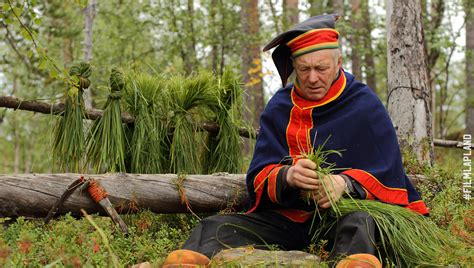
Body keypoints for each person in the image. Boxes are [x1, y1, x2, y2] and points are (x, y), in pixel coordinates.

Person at [162, 14, 429, 268]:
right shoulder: (279, 107)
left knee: (362, 223)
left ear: (338, 63)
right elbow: (258, 176)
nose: (313, 78)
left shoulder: (364, 105)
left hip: (343, 216)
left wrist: (344, 184)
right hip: (288, 218)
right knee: (214, 227)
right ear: (294, 66)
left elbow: (388, 171)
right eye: (304, 69)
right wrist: (288, 176)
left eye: (321, 68)